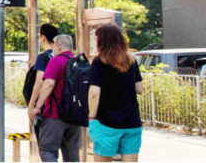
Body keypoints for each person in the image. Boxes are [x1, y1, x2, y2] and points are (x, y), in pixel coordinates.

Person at [88, 24, 144, 162]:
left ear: (102, 41)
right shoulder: (130, 59)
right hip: (132, 122)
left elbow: (94, 92)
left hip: (106, 121)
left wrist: (92, 116)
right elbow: (139, 89)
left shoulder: (99, 61)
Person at [30, 34, 81, 162]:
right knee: (72, 154)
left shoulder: (56, 61)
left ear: (58, 46)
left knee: (48, 151)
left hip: (55, 115)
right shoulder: (78, 62)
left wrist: (38, 106)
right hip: (75, 117)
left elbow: (48, 84)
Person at [27, 24, 59, 137]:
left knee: (45, 147)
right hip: (62, 108)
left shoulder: (43, 57)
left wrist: (32, 105)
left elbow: (39, 82)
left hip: (46, 107)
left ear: (43, 37)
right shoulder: (62, 56)